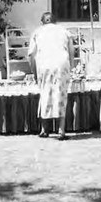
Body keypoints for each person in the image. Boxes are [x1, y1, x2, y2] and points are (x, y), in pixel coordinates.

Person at [28, 11, 74, 140]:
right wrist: (71, 67)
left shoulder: (37, 32)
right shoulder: (64, 31)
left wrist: (34, 72)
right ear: (55, 21)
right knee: (61, 95)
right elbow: (72, 52)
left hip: (44, 64)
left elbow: (31, 54)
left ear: (42, 22)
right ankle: (61, 131)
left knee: (45, 94)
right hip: (61, 64)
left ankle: (44, 129)